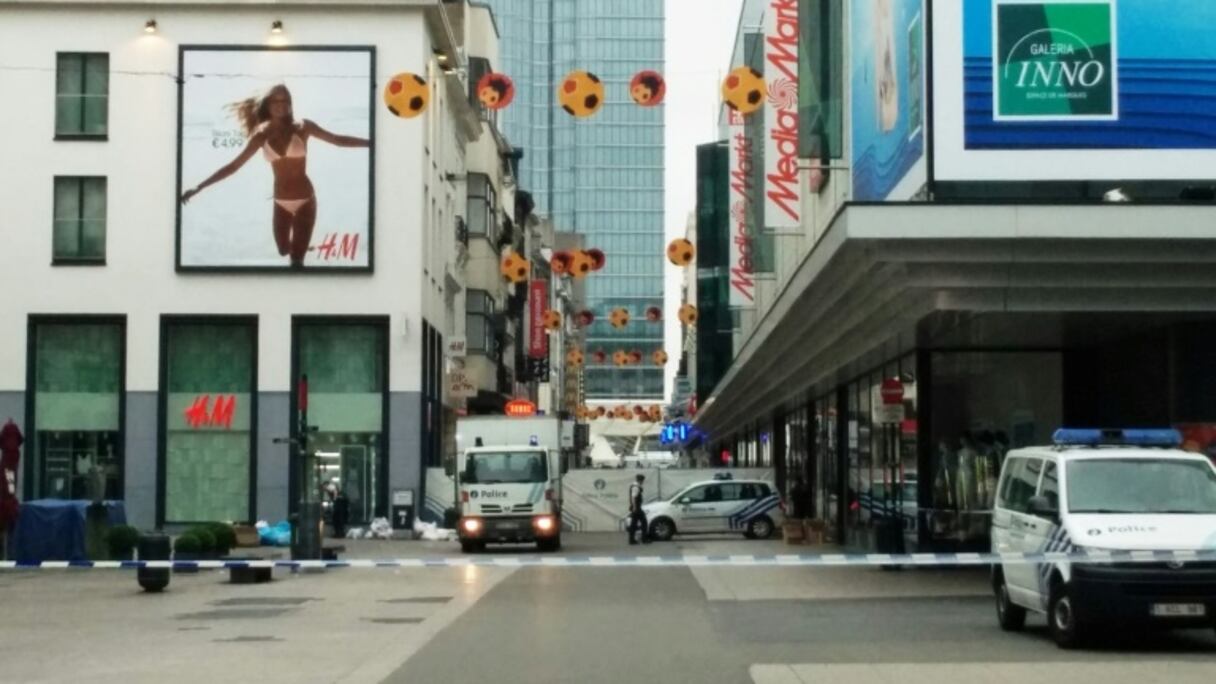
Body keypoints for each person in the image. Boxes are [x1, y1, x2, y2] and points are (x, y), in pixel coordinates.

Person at [180, 84, 370, 268]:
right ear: (268, 105)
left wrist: (371, 142)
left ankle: (300, 253)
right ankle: (300, 245)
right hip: (280, 202)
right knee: (282, 250)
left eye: (285, 100)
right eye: (276, 101)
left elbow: (337, 140)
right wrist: (200, 186)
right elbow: (234, 166)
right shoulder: (262, 136)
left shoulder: (303, 127)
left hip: (305, 199)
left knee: (296, 263)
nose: (281, 104)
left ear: (291, 103)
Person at [627, 474, 649, 545]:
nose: (643, 482)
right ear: (640, 480)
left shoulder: (635, 486)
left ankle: (632, 540)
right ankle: (644, 539)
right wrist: (634, 507)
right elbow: (633, 497)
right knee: (644, 523)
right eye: (642, 481)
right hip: (637, 508)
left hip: (636, 507)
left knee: (634, 524)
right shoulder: (636, 487)